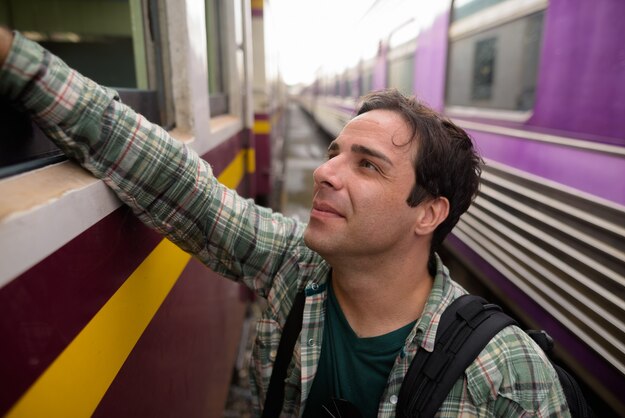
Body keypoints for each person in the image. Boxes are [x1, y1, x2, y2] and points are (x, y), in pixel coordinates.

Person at [0, 28, 570, 417]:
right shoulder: (296, 269)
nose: (326, 173)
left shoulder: (508, 372)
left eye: (367, 165)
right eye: (334, 152)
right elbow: (174, 180)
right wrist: (14, 60)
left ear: (428, 212)